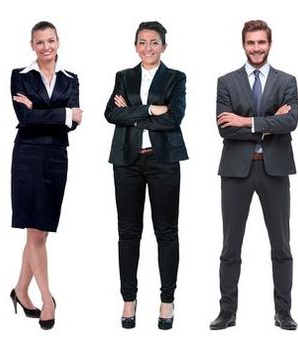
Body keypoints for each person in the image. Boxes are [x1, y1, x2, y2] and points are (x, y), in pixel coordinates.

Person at [209, 19, 298, 332]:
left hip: (275, 170)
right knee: (230, 246)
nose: (257, 48)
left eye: (261, 42)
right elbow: (224, 127)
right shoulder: (226, 81)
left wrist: (245, 121)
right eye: (251, 43)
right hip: (236, 171)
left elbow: (291, 123)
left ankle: (283, 312)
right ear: (243, 44)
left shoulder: (287, 80)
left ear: (269, 44)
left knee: (282, 246)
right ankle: (227, 312)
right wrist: (267, 122)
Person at [105, 21, 188, 330]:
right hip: (126, 162)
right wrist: (152, 110)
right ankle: (129, 299)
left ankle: (167, 300)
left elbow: (175, 117)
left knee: (166, 232)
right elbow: (111, 114)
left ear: (164, 46)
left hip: (163, 161)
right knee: (128, 233)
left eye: (154, 42)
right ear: (135, 45)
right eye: (142, 42)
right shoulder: (123, 77)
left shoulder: (176, 77)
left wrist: (134, 112)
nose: (148, 48)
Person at [7, 21, 81, 330]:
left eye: (51, 41)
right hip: (28, 155)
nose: (46, 47)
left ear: (58, 42)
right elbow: (25, 118)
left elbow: (76, 122)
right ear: (32, 45)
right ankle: (47, 297)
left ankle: (19, 290)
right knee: (35, 230)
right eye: (40, 42)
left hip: (57, 156)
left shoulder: (70, 78)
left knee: (42, 230)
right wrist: (62, 114)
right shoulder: (19, 76)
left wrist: (41, 112)